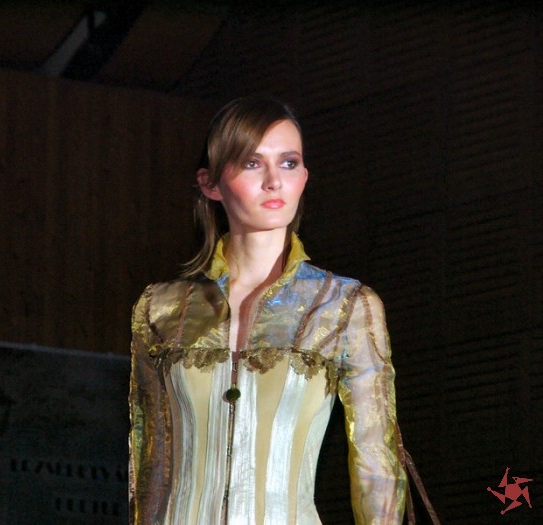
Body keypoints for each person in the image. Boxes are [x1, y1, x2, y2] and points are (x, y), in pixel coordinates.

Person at [129, 95, 407, 524]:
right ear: (211, 184)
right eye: (252, 163)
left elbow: (376, 461)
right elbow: (150, 466)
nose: (275, 181)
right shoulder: (161, 308)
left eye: (289, 163)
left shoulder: (344, 305)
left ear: (304, 177)